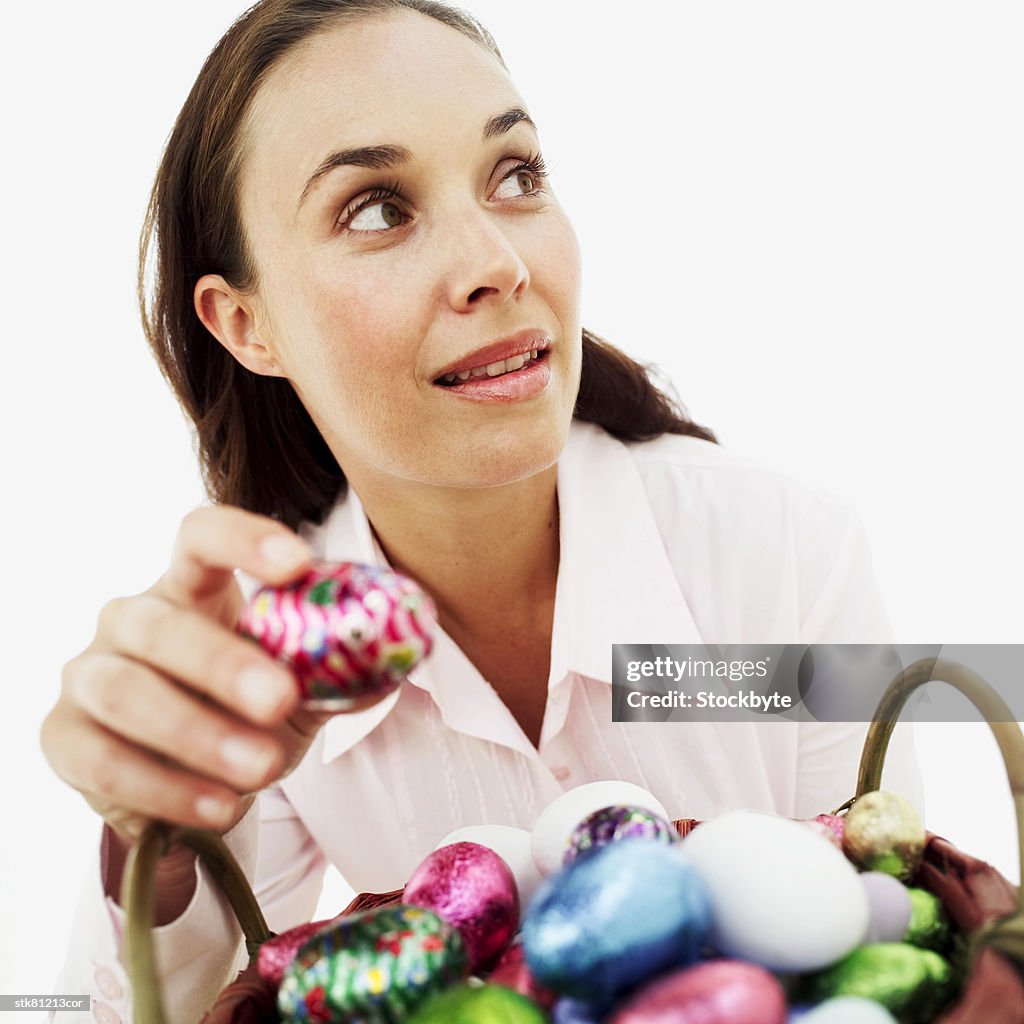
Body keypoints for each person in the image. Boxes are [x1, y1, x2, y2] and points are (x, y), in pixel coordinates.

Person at [41, 1, 923, 1020]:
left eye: (516, 177)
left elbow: (892, 930)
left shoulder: (788, 557)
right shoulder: (272, 667)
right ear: (246, 323)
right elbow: (144, 1006)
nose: (498, 266)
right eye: (378, 207)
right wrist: (154, 846)